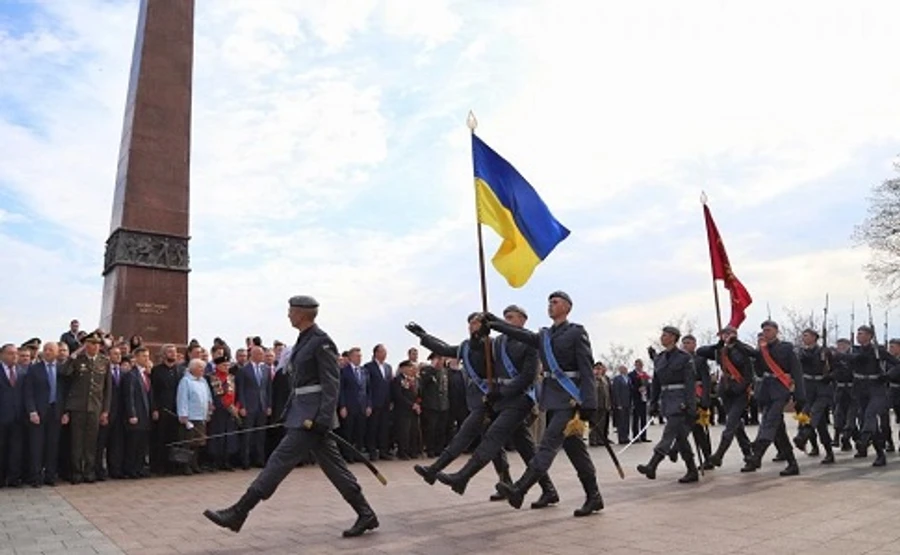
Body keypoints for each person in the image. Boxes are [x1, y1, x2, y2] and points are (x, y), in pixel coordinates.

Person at [204, 295, 379, 538]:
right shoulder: (303, 340)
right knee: (335, 468)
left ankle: (239, 511)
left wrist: (323, 418)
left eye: (290, 311)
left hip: (312, 418)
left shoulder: (321, 342)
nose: (288, 314)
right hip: (304, 414)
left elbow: (331, 384)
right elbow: (298, 385)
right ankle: (366, 513)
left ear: (302, 314)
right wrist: (289, 412)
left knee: (278, 461)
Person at [483, 291, 602, 517]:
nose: (550, 306)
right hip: (553, 400)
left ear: (567, 307)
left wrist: (590, 402)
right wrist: (495, 323)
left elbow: (586, 368)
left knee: (547, 446)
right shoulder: (544, 335)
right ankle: (594, 496)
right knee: (576, 451)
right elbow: (521, 335)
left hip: (570, 399)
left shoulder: (576, 332)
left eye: (555, 302)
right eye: (549, 302)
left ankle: (520, 488)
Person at [431, 305, 560, 508]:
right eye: (504, 317)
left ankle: (463, 477)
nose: (506, 321)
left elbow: (528, 376)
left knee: (493, 436)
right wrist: (478, 336)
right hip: (503, 401)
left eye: (511, 317)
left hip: (520, 399)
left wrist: (502, 392)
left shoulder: (530, 341)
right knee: (527, 449)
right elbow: (480, 357)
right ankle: (549, 490)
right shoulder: (499, 341)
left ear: (523, 319)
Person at [733, 320, 804, 476]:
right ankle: (792, 464)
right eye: (764, 330)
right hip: (766, 391)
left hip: (780, 390)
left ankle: (756, 456)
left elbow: (797, 371)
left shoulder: (786, 348)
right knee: (778, 429)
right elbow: (753, 358)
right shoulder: (762, 350)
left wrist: (800, 394)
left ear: (776, 331)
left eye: (769, 330)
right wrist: (735, 342)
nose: (766, 333)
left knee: (770, 421)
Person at [637, 326, 699, 483]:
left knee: (669, 433)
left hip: (680, 401)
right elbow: (656, 383)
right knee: (681, 438)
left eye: (665, 335)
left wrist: (691, 405)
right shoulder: (660, 358)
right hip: (666, 399)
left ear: (673, 337)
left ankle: (653, 465)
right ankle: (692, 470)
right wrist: (653, 403)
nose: (662, 338)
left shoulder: (684, 358)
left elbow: (690, 383)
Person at [696, 327, 754, 468]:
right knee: (736, 425)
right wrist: (718, 344)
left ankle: (719, 455)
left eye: (729, 334)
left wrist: (736, 343)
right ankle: (748, 455)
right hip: (726, 390)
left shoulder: (743, 349)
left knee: (731, 423)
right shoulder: (720, 350)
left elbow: (750, 368)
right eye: (724, 334)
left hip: (740, 390)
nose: (727, 336)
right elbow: (700, 351)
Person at [60, 332, 112, 484]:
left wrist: (105, 410)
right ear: (85, 345)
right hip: (77, 406)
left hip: (95, 407)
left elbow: (107, 389)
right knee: (76, 441)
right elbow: (64, 372)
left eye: (97, 344)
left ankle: (89, 472)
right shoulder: (78, 360)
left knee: (91, 442)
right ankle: (76, 472)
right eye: (91, 343)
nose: (94, 346)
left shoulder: (104, 361)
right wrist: (73, 355)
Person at [793, 328, 835, 464]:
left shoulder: (824, 351)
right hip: (807, 387)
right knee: (808, 418)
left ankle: (804, 437)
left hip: (822, 388)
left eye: (806, 335)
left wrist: (829, 377)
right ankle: (813, 444)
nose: (804, 338)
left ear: (814, 337)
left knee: (814, 413)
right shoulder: (800, 352)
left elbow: (836, 368)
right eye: (803, 335)